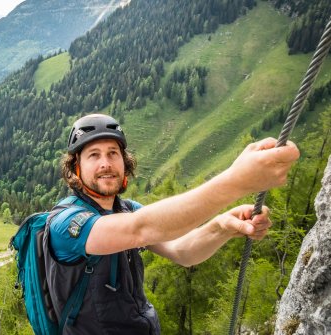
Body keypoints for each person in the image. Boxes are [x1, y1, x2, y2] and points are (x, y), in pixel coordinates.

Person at [44, 113, 300, 334]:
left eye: (113, 153)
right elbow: (140, 228)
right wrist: (236, 182)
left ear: (125, 161)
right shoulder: (66, 223)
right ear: (75, 169)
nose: (106, 163)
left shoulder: (127, 209)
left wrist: (221, 226)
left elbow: (182, 251)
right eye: (93, 155)